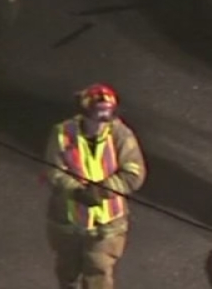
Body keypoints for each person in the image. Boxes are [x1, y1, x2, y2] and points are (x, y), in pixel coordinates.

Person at [43, 83, 147, 289]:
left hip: (106, 225)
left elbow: (134, 173)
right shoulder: (63, 133)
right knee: (67, 270)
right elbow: (52, 170)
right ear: (84, 113)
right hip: (67, 220)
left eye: (105, 118)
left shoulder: (121, 135)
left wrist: (103, 191)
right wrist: (75, 190)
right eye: (96, 117)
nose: (100, 124)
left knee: (99, 271)